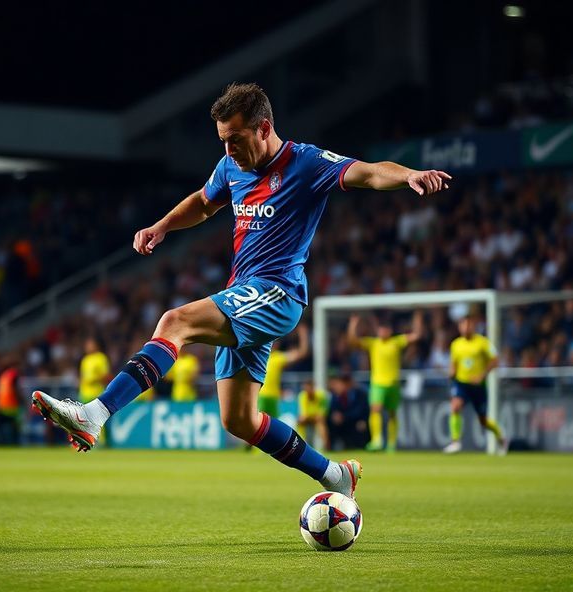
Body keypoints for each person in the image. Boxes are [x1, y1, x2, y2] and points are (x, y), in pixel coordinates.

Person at [33, 82, 451, 499]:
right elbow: (203, 202)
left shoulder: (306, 163)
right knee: (239, 421)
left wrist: (410, 174)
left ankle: (96, 412)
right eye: (223, 141)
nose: (228, 150)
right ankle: (335, 476)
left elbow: (369, 171)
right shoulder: (230, 166)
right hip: (244, 294)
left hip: (278, 292)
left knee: (175, 321)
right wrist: (162, 226)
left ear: (263, 128)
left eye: (235, 139)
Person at [346, 311, 423, 452]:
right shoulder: (373, 343)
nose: (383, 332)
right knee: (376, 409)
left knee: (392, 413)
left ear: (390, 331)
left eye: (386, 329)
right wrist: (353, 323)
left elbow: (416, 336)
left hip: (393, 383)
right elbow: (353, 341)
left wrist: (418, 317)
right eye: (381, 329)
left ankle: (391, 444)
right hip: (378, 384)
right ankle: (377, 441)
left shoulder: (396, 342)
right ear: (378, 330)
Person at [444, 313, 508, 454]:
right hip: (461, 383)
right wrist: (451, 373)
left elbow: (495, 360)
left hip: (478, 386)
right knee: (455, 406)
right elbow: (454, 364)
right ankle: (455, 442)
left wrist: (482, 375)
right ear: (459, 327)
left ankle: (501, 437)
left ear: (473, 326)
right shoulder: (456, 345)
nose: (466, 327)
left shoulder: (483, 342)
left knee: (483, 421)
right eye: (463, 324)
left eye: (469, 324)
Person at [259, 323, 309, 419]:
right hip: (260, 395)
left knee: (271, 427)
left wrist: (303, 335)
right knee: (258, 426)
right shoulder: (261, 355)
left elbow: (302, 352)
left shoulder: (278, 357)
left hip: (273, 397)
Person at [326, 372, 369, 451]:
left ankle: (360, 447)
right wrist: (334, 416)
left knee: (361, 425)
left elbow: (360, 410)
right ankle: (332, 447)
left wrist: (344, 416)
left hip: (355, 421)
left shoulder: (359, 393)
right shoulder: (335, 396)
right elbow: (331, 410)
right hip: (341, 423)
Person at [0, 355, 23, 445]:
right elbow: (15, 389)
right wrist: (23, 400)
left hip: (2, 405)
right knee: (14, 429)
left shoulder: (4, 375)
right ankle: (14, 444)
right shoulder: (14, 374)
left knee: (4, 428)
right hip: (11, 406)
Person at [297, 379, 329, 450]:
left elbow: (323, 411)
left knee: (321, 422)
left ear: (313, 387)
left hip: (316, 418)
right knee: (301, 420)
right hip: (308, 417)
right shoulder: (302, 396)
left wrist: (318, 415)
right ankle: (301, 444)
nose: (308, 390)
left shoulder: (321, 395)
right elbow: (304, 413)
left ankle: (326, 446)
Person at [78, 337, 111, 404]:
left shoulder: (101, 357)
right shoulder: (85, 359)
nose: (88, 347)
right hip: (84, 394)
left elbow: (106, 376)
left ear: (96, 345)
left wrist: (94, 379)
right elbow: (82, 376)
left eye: (90, 345)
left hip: (96, 394)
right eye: (87, 345)